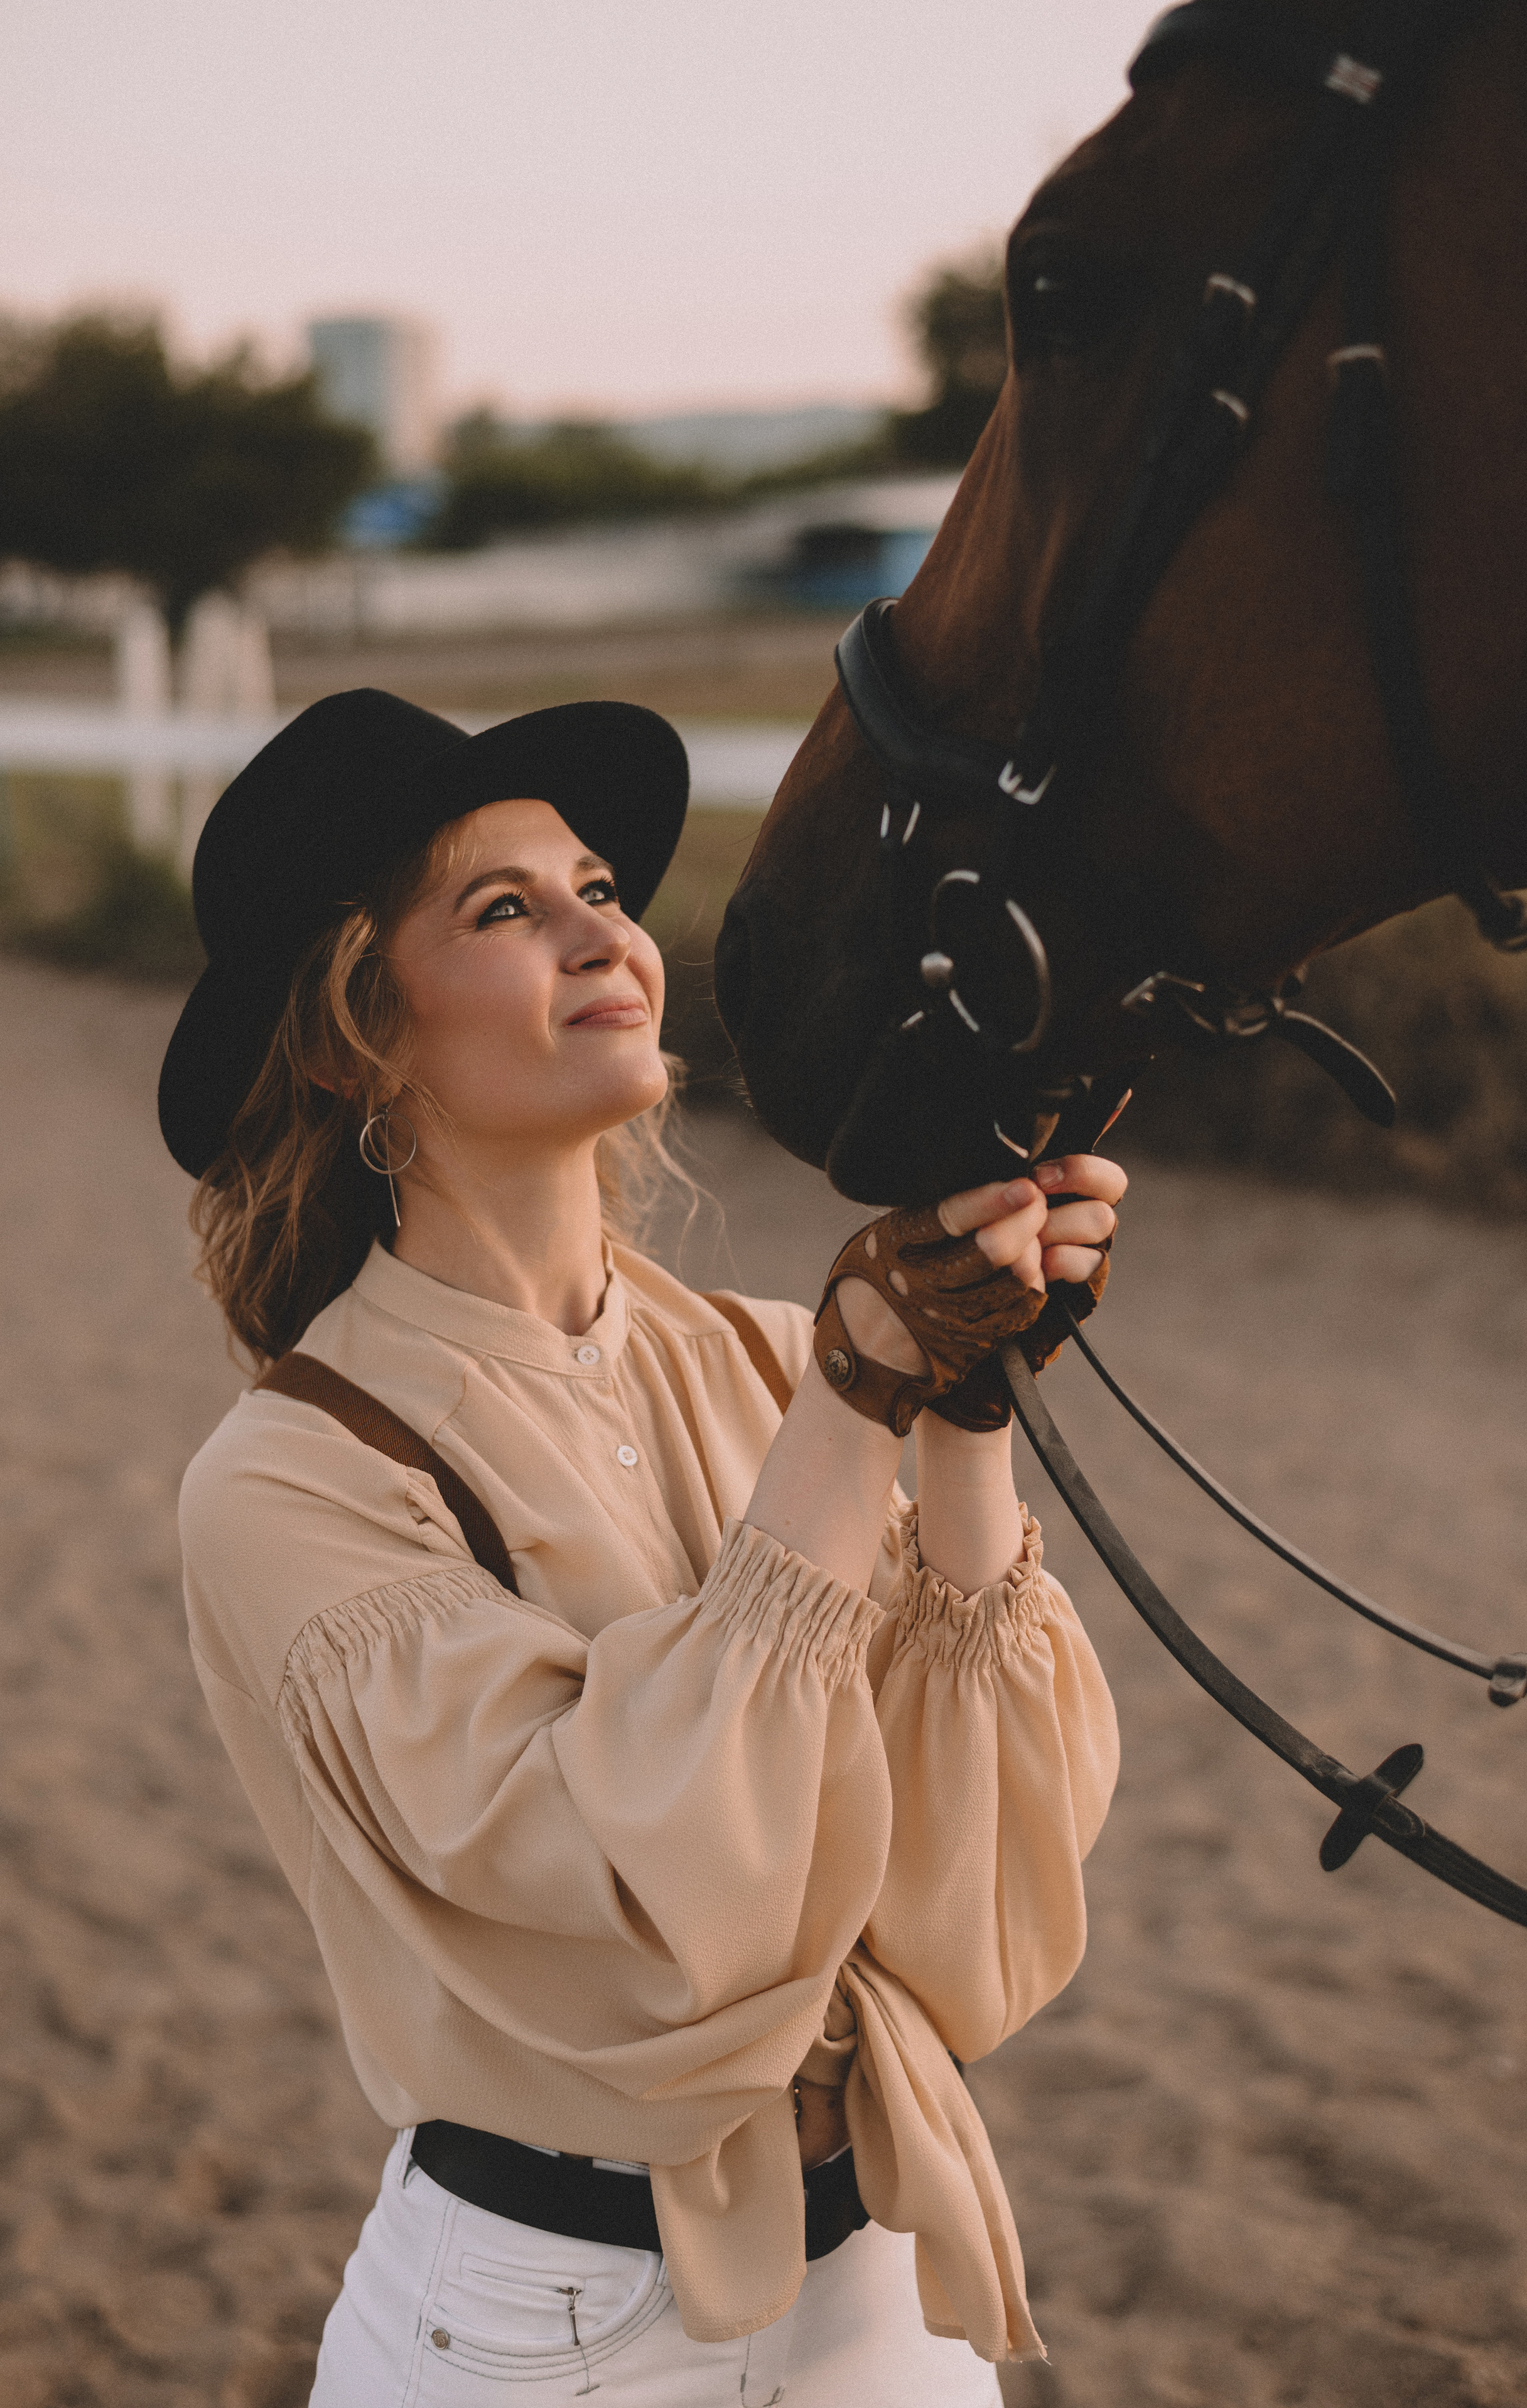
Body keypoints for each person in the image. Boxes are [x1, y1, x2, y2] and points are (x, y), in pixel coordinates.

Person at [161, 688, 1125, 2406]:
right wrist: (857, 1406)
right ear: (350, 1033)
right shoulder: (288, 1479)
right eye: (506, 908)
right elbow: (628, 1920)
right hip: (537, 2329)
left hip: (879, 2293)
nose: (605, 932)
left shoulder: (766, 1355)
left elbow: (958, 1907)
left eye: (601, 887)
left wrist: (967, 1414)